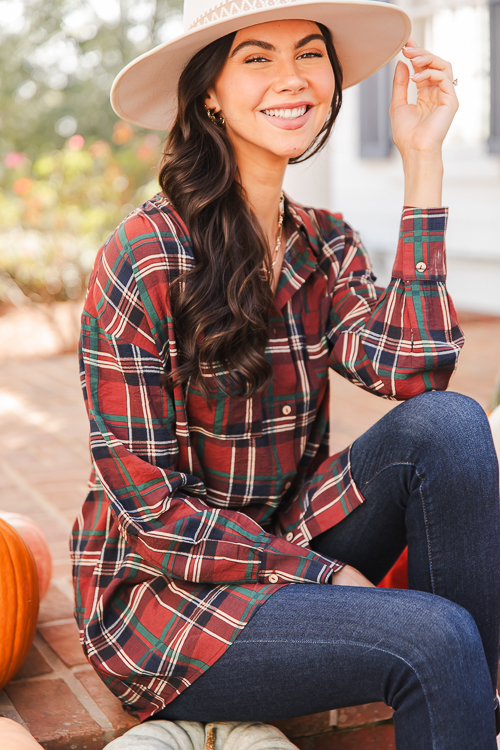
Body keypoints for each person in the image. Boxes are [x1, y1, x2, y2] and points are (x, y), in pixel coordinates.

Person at [71, 0, 500, 748]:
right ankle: (449, 668)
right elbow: (152, 517)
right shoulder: (143, 257)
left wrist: (422, 159)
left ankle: (475, 702)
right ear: (209, 89)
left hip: (284, 540)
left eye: (309, 54)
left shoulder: (324, 241)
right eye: (257, 58)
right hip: (169, 602)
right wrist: (321, 576)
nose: (292, 79)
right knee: (435, 636)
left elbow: (416, 370)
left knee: (451, 423)